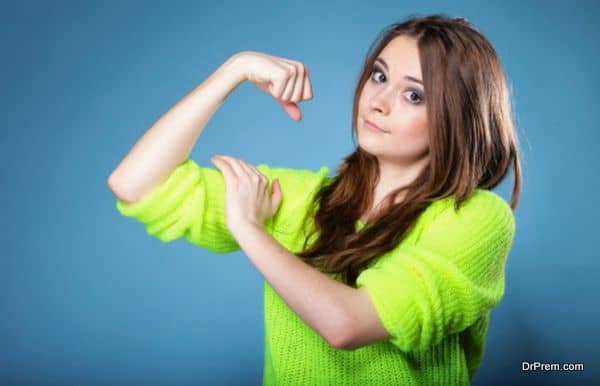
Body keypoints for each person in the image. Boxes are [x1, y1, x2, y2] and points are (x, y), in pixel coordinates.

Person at [107, 13, 521, 386]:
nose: (377, 102)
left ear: (457, 117)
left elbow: (346, 325)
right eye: (379, 76)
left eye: (414, 95)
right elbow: (134, 183)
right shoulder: (301, 199)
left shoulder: (477, 218)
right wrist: (234, 70)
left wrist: (250, 230)